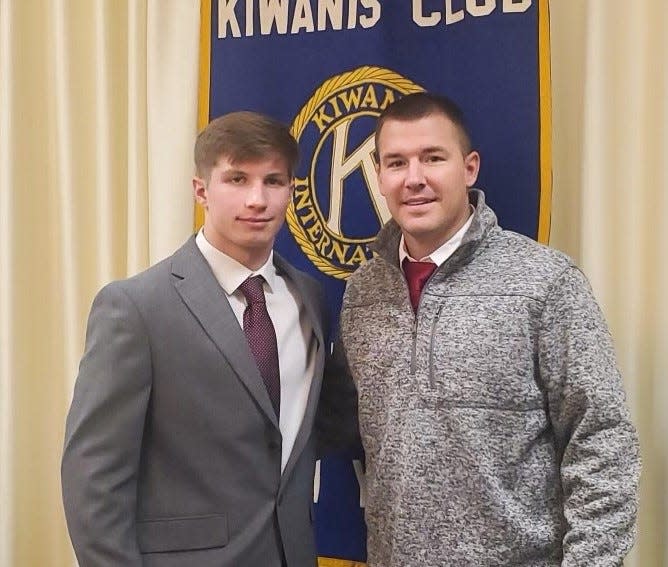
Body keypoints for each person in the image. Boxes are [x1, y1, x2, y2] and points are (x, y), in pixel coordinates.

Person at [334, 92, 641, 566]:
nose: (414, 179)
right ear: (379, 175)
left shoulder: (545, 282)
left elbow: (601, 438)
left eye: (432, 158)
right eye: (396, 163)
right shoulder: (362, 293)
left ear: (469, 167)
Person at [62, 111, 329, 567]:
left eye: (273, 181)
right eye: (237, 179)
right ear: (201, 190)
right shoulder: (135, 307)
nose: (257, 199)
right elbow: (93, 479)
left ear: (291, 191)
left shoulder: (309, 297)